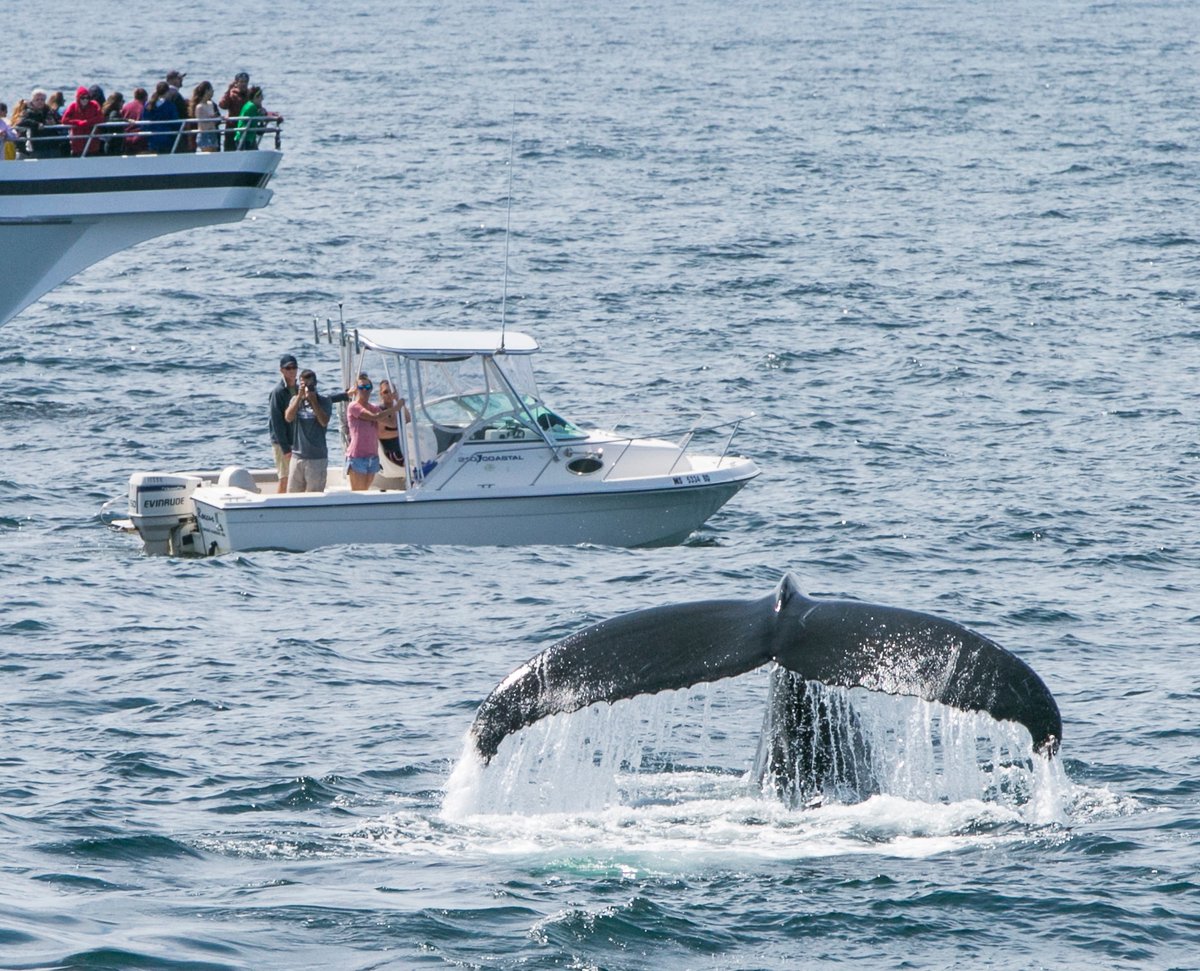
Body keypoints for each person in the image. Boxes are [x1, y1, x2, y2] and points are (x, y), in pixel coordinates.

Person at [285, 370, 336, 493]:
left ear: (315, 384)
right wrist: (299, 397)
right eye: (304, 385)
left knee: (314, 497)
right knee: (292, 497)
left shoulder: (324, 401)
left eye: (309, 385)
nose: (307, 388)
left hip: (316, 458)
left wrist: (313, 401)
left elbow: (324, 421)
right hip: (297, 457)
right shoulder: (295, 400)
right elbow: (288, 417)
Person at [345, 374, 398, 491]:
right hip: (357, 456)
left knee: (366, 490)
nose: (365, 390)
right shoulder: (353, 406)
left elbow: (392, 423)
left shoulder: (373, 407)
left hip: (372, 456)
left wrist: (395, 402)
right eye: (361, 387)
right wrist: (395, 408)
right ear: (356, 389)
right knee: (359, 493)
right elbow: (374, 417)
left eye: (368, 387)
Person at [269, 353, 300, 493]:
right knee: (284, 477)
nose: (292, 371)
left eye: (294, 367)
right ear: (282, 370)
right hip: (282, 443)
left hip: (296, 440)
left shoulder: (299, 390)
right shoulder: (278, 392)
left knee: (294, 477)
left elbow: (320, 399)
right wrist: (285, 448)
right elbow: (277, 423)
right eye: (288, 368)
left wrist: (344, 395)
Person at [61, 86, 104, 156]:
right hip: (77, 144)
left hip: (92, 144)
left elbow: (100, 118)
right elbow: (64, 120)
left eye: (87, 98)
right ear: (78, 98)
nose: (85, 100)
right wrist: (78, 122)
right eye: (82, 98)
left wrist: (87, 122)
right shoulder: (73, 106)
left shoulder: (94, 105)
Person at [377, 379, 411, 469]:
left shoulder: (397, 408)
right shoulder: (380, 411)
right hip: (392, 452)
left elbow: (408, 420)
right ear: (381, 394)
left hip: (404, 447)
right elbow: (381, 433)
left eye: (391, 391)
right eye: (386, 392)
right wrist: (402, 432)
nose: (389, 394)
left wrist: (399, 402)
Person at [19, 89, 58, 157]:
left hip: (52, 145)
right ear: (33, 101)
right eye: (37, 99)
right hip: (37, 146)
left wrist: (54, 123)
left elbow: (59, 121)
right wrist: (36, 124)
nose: (40, 101)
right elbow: (22, 122)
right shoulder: (28, 112)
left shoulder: (50, 111)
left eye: (42, 99)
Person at [143, 81, 179, 153]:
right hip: (166, 137)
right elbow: (175, 123)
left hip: (152, 138)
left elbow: (144, 121)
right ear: (167, 91)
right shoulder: (169, 106)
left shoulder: (148, 104)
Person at [219, 71, 250, 151]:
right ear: (236, 83)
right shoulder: (232, 94)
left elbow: (257, 106)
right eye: (241, 82)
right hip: (232, 128)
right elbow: (222, 105)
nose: (244, 84)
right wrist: (228, 91)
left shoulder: (250, 94)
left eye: (246, 82)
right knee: (230, 150)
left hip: (246, 127)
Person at [189, 81, 219, 152]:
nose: (213, 91)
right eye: (211, 89)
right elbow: (202, 124)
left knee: (214, 156)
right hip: (205, 134)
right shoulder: (199, 107)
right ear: (206, 91)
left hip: (213, 133)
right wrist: (211, 119)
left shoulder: (210, 104)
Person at [120, 88, 147, 153]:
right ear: (146, 97)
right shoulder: (145, 107)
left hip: (126, 138)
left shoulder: (126, 106)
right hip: (140, 139)